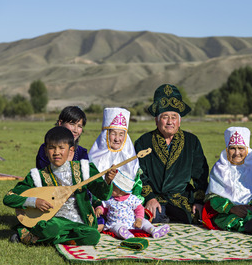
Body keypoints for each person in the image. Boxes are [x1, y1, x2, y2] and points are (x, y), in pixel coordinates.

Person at [3, 126, 117, 245]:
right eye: (52, 148)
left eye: (61, 148)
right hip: (54, 221)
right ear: (46, 151)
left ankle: (36, 237)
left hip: (80, 222)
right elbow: (9, 197)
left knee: (93, 236)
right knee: (51, 227)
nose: (56, 152)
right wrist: (34, 202)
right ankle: (62, 237)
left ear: (71, 151)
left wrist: (107, 181)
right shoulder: (38, 176)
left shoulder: (84, 169)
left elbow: (103, 195)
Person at [134, 84, 209, 224]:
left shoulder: (191, 142)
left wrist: (199, 201)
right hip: (154, 197)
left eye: (174, 117)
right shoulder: (143, 142)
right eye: (165, 117)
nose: (170, 122)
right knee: (152, 219)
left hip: (181, 198)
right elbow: (139, 174)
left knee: (192, 220)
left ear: (179, 121)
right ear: (157, 120)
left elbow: (201, 175)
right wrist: (149, 197)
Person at [202, 127, 252, 235]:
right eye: (233, 148)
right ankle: (251, 226)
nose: (237, 153)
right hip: (229, 211)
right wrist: (231, 208)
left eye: (241, 148)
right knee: (222, 218)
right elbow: (213, 198)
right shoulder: (219, 168)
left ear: (247, 149)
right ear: (227, 149)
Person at [89, 107, 143, 231]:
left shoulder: (131, 160)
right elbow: (91, 189)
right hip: (100, 207)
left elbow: (136, 187)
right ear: (106, 134)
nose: (117, 139)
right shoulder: (94, 159)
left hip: (126, 209)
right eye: (113, 133)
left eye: (121, 134)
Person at [95, 172, 170, 239]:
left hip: (131, 222)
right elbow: (105, 208)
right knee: (115, 227)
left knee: (144, 222)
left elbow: (139, 209)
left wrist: (139, 219)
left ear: (121, 190)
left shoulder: (132, 199)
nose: (110, 189)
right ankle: (123, 233)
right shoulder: (110, 199)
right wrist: (99, 209)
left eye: (113, 188)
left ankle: (153, 229)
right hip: (115, 222)